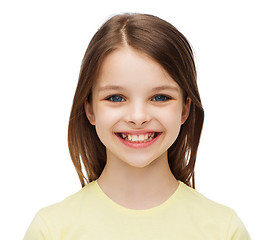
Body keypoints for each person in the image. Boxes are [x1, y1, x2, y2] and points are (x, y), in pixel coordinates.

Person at [24, 13, 251, 239]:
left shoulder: (224, 229)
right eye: (116, 98)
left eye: (160, 97)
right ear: (90, 109)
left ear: (185, 109)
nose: (138, 117)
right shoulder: (51, 229)